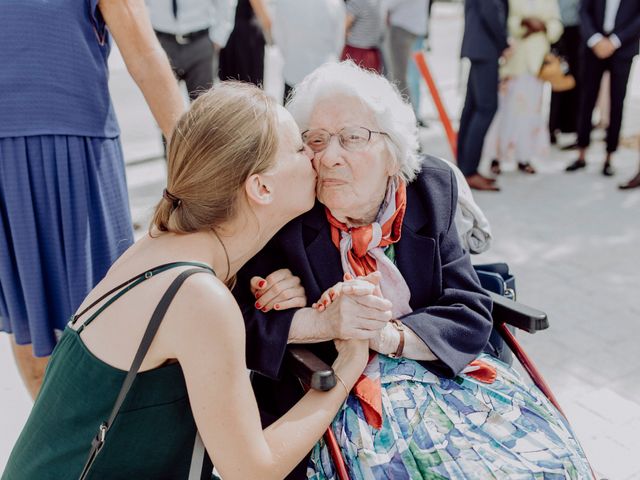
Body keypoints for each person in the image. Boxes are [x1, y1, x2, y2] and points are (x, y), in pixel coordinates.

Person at [235, 61, 591, 479]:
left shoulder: (430, 189)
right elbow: (235, 327)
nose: (329, 157)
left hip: (441, 376)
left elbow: (469, 311)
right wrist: (316, 322)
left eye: (352, 138)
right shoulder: (290, 207)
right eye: (315, 139)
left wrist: (388, 336)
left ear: (392, 154)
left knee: (542, 464)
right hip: (338, 398)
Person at [2, 82, 372, 480]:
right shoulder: (198, 296)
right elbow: (253, 471)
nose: (316, 157)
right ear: (261, 187)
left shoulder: (162, 246)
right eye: (300, 148)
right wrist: (348, 366)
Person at [0, 0, 184, 400]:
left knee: (109, 328)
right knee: (29, 328)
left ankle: (112, 453)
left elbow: (144, 53)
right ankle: (58, 454)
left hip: (75, 150)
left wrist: (198, 162)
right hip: (7, 158)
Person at [485, 0, 563, 176]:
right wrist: (524, 24)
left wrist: (542, 26)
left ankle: (524, 157)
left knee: (531, 113)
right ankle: (496, 157)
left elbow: (557, 25)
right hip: (514, 62)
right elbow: (506, 20)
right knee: (505, 111)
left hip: (536, 65)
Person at [565, 0, 640, 176]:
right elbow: (583, 11)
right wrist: (595, 39)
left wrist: (615, 41)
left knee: (617, 101)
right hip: (593, 47)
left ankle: (609, 157)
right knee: (586, 100)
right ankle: (581, 153)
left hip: (622, 48)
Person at [457, 0, 510, 192]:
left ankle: (464, 167)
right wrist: (504, 42)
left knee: (472, 108)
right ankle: (469, 171)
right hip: (485, 47)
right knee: (486, 108)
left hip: (478, 46)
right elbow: (491, 10)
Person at [146, 0, 238, 101]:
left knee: (202, 105)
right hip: (162, 41)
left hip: (200, 42)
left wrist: (218, 38)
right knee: (163, 102)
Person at [271, 0, 346, 102]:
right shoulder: (334, 3)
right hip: (324, 74)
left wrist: (291, 56)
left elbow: (278, 36)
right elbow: (339, 41)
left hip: (293, 71)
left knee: (290, 116)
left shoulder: (284, 2)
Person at [548, 0, 582, 147]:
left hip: (578, 32)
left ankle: (570, 126)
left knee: (575, 81)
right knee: (559, 79)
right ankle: (553, 126)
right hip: (560, 32)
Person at [384, 0, 429, 103]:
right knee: (412, 76)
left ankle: (406, 114)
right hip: (416, 27)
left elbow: (389, 4)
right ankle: (414, 112)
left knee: (398, 78)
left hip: (403, 27)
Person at [218, 0, 272, 85]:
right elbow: (266, 19)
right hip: (247, 38)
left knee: (229, 86)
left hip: (228, 35)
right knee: (249, 85)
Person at [341, 0, 386, 73]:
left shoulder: (357, 2)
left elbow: (344, 27)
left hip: (354, 53)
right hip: (373, 54)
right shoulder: (379, 2)